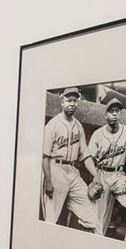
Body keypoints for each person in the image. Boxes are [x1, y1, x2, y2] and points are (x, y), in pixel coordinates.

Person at [40, 87, 100, 231]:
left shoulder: (78, 126)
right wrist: (48, 181)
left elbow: (85, 154)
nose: (72, 103)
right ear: (62, 102)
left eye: (75, 100)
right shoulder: (53, 125)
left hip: (72, 171)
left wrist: (96, 176)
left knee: (90, 209)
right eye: (69, 100)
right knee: (51, 218)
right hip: (55, 168)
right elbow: (45, 156)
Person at [88, 98, 126, 242]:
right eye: (111, 111)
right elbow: (89, 159)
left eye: (117, 111)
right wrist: (94, 179)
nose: (114, 114)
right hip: (101, 174)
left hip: (118, 175)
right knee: (98, 222)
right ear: (106, 115)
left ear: (120, 114)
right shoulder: (98, 134)